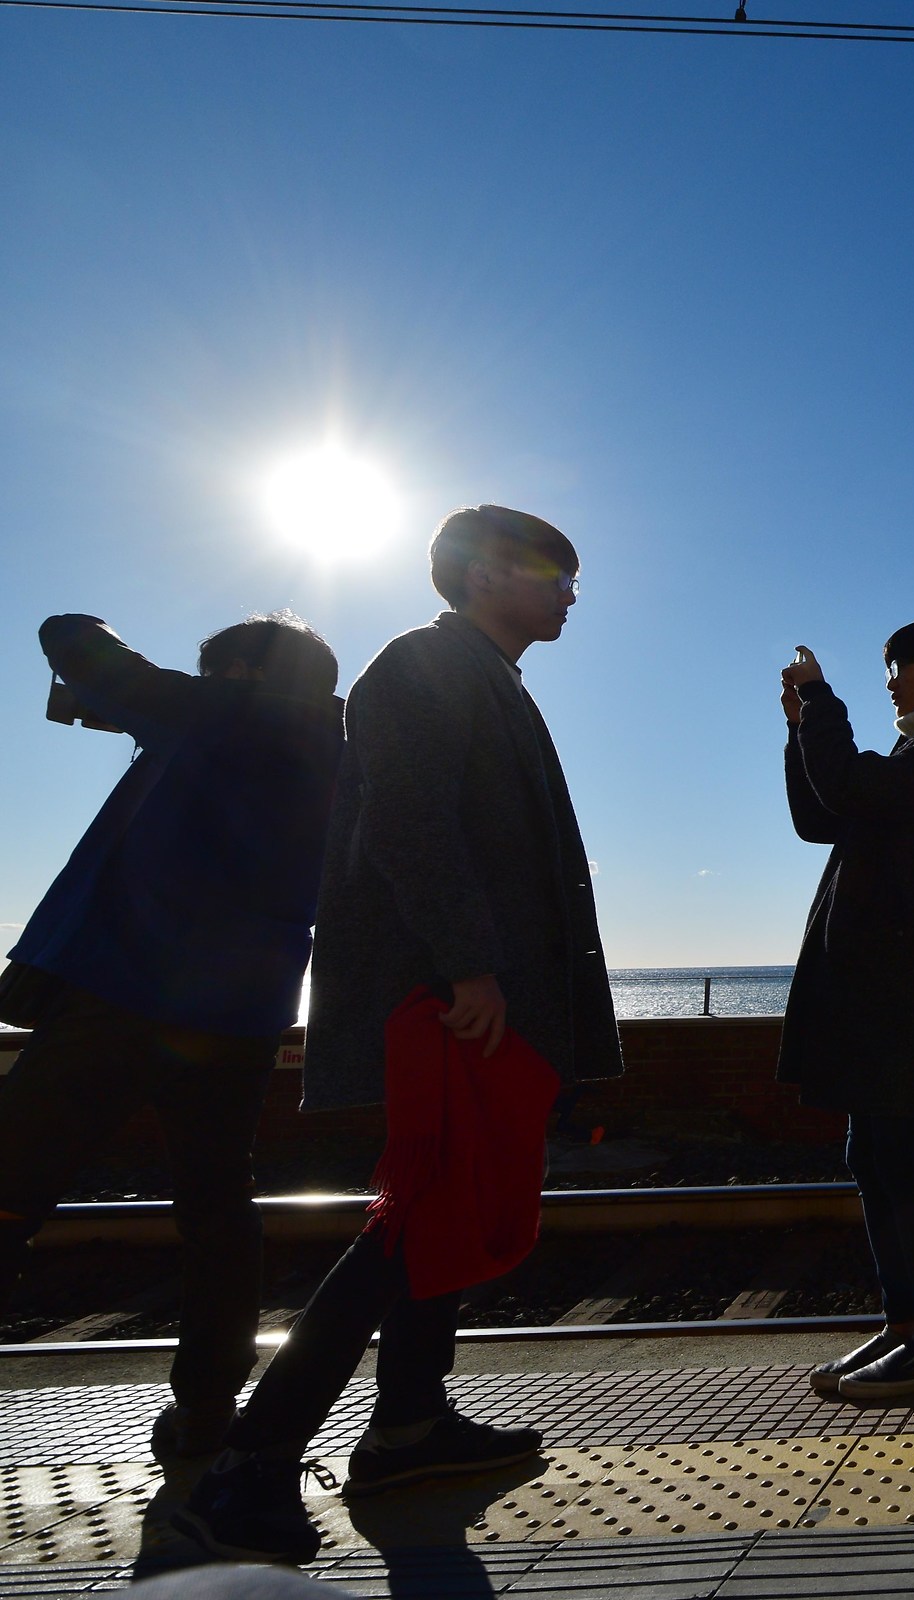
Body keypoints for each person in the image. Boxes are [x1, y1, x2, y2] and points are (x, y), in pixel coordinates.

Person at [175, 505, 624, 1563]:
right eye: (549, 571)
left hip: (472, 995)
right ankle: (252, 1461)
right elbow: (407, 819)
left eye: (572, 576)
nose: (568, 591)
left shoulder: (483, 676)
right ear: (480, 573)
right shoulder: (422, 664)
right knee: (413, 1214)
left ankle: (410, 1427)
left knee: (443, 1208)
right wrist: (467, 962)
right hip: (447, 997)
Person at [0, 612, 343, 1460]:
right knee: (217, 1208)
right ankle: (207, 1410)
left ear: (244, 673)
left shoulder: (218, 714)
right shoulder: (337, 750)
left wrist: (137, 696)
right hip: (241, 1016)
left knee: (10, 1181)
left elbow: (68, 632)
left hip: (125, 993)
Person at [780, 619, 914, 1401]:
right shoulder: (912, 758)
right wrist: (800, 731)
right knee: (871, 1156)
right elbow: (820, 817)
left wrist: (820, 701)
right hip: (878, 985)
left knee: (901, 1157)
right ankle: (903, 1325)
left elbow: (848, 785)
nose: (892, 682)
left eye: (901, 666)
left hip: (907, 985)